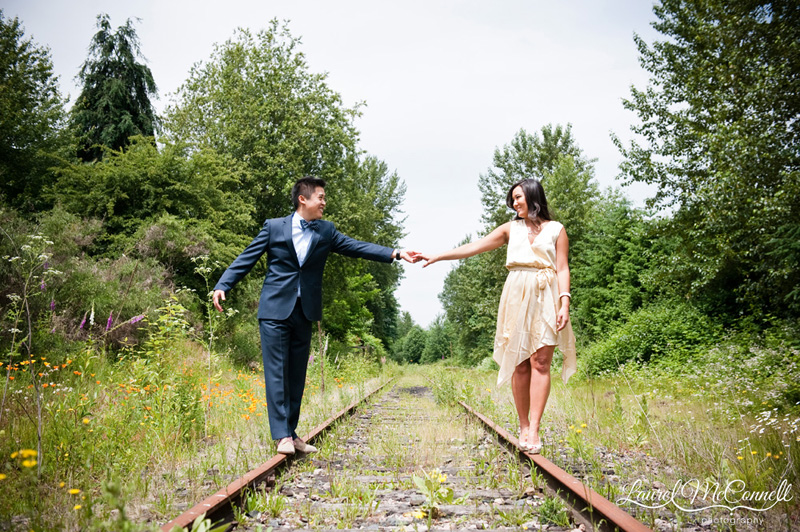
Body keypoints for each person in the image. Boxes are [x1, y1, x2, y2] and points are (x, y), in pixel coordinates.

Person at [213, 176, 420, 455]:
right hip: (275, 310)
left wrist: (395, 253)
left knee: (297, 375)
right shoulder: (274, 227)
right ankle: (281, 436)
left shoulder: (326, 231)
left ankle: (292, 433)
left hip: (305, 310)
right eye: (320, 197)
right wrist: (223, 284)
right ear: (303, 199)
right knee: (277, 373)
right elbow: (247, 257)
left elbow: (356, 247)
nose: (324, 202)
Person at [420, 178, 576, 453]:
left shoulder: (556, 230)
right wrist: (438, 256)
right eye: (513, 198)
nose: (514, 202)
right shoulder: (510, 229)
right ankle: (524, 425)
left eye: (519, 197)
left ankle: (535, 430)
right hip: (516, 293)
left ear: (533, 196)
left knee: (541, 362)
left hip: (546, 293)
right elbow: (474, 246)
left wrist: (564, 303)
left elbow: (562, 268)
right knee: (519, 362)